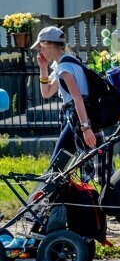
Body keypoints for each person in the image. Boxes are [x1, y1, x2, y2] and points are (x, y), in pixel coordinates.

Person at [34, 26, 103, 179]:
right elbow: (47, 93)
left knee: (56, 165)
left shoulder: (64, 68)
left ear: (49, 45)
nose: (40, 51)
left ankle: (47, 199)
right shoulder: (68, 62)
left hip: (78, 119)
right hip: (81, 117)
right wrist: (43, 68)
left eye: (40, 46)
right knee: (95, 165)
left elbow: (77, 98)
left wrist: (86, 128)